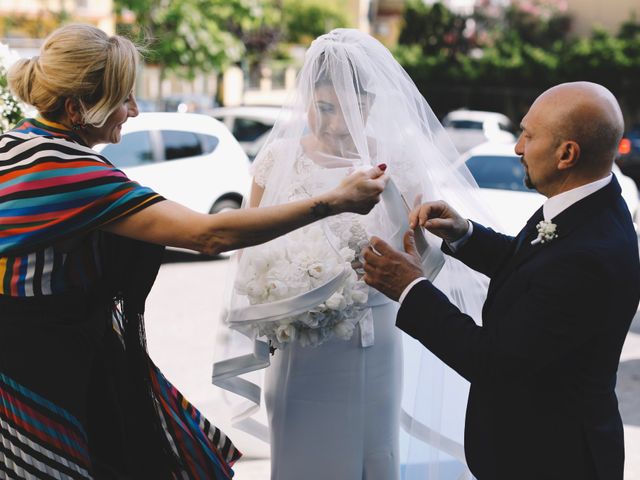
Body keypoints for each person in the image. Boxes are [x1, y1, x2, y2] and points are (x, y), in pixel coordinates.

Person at [0, 24, 386, 479]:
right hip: (37, 374)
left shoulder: (15, 144)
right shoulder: (67, 171)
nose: (135, 111)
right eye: (124, 98)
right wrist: (332, 202)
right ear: (77, 108)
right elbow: (209, 236)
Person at [212, 29, 497, 480]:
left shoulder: (397, 164)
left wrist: (417, 243)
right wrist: (278, 294)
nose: (333, 123)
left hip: (375, 333)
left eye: (348, 109)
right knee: (302, 452)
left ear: (369, 106)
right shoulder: (277, 159)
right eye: (323, 107)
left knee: (372, 452)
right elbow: (252, 246)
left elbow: (416, 256)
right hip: (299, 340)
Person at [363, 81, 640, 480]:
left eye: (528, 135)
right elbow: (537, 267)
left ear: (567, 154)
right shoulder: (594, 203)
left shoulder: (590, 255)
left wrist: (410, 288)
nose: (517, 147)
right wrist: (464, 233)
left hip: (551, 458)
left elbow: (493, 362)